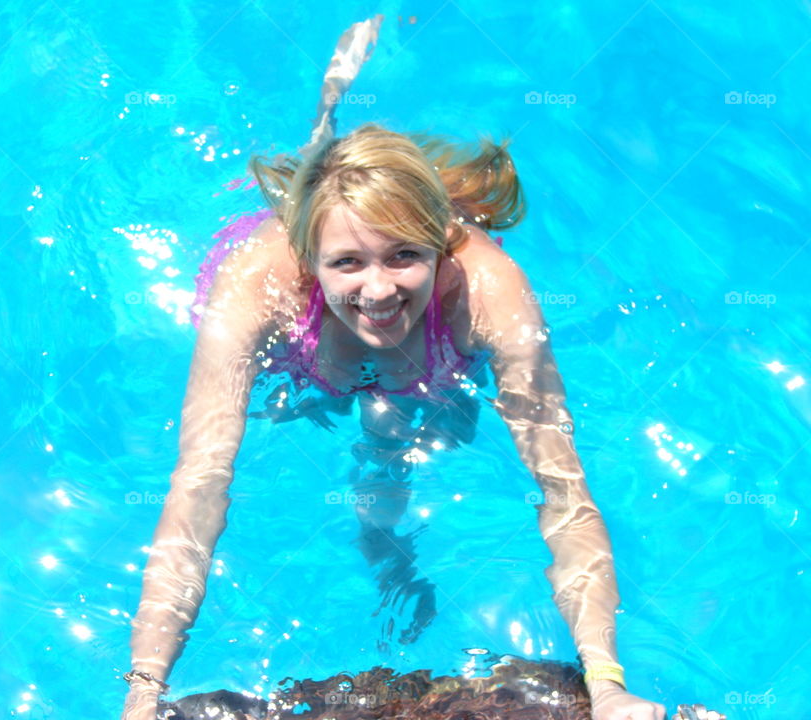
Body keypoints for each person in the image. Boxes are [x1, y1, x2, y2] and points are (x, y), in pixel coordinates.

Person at [121, 16, 667, 720]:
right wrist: (143, 692)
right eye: (347, 263)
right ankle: (328, 108)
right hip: (308, 346)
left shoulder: (489, 292)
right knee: (314, 175)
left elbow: (563, 490)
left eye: (403, 256)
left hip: (427, 360)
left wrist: (608, 686)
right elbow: (198, 489)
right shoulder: (255, 290)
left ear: (440, 244)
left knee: (395, 443)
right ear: (310, 261)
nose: (378, 292)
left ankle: (387, 543)